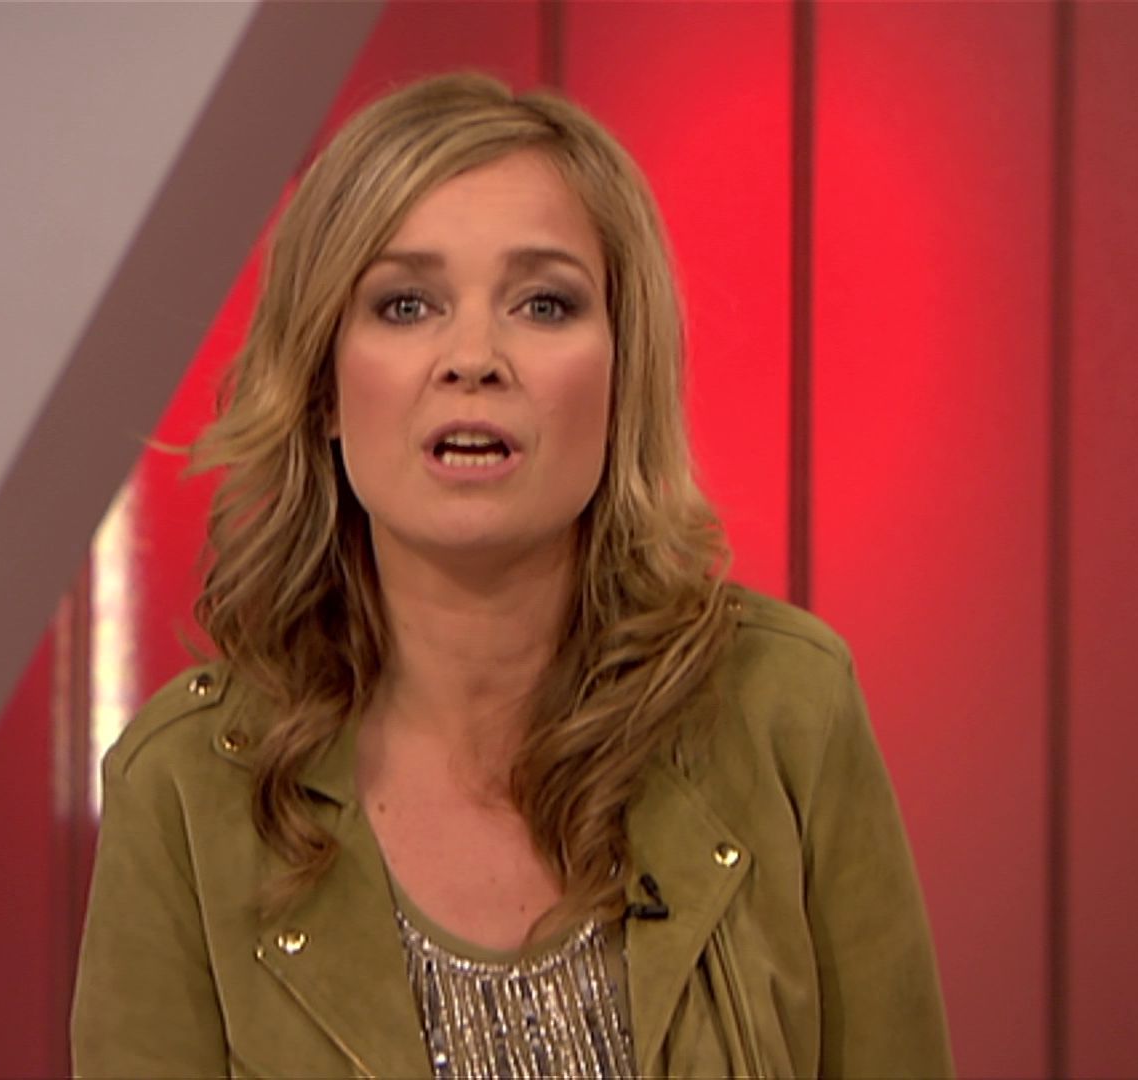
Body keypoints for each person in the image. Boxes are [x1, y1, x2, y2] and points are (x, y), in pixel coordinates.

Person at [70, 71, 952, 1079]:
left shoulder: (786, 708)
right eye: (406, 304)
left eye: (543, 302)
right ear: (324, 388)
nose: (474, 358)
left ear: (621, 376)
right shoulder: (185, 790)